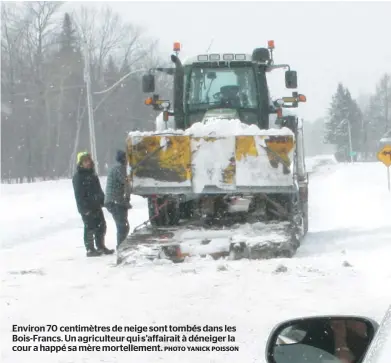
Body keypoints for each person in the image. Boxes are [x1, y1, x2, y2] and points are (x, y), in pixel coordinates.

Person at [72, 151, 114, 257]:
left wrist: (103, 200)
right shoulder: (78, 177)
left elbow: (98, 190)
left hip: (96, 205)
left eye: (88, 161)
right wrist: (83, 208)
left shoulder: (92, 174)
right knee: (89, 227)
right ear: (80, 163)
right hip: (86, 207)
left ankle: (100, 246)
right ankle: (90, 249)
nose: (88, 163)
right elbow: (79, 195)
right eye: (85, 161)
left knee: (101, 226)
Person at [104, 150, 132, 248]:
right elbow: (127, 183)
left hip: (116, 201)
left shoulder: (119, 168)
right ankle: (121, 247)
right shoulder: (120, 169)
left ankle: (122, 245)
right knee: (122, 226)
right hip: (115, 202)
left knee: (124, 226)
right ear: (124, 159)